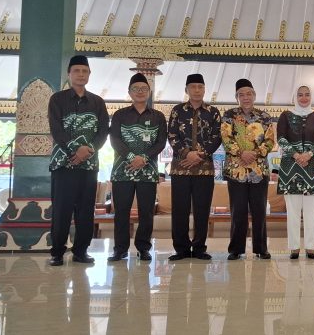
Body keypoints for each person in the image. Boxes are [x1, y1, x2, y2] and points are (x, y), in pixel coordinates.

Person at [47, 55, 109, 266]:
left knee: (85, 211)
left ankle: (81, 251)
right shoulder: (57, 99)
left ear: (89, 74)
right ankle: (57, 252)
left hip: (88, 165)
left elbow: (103, 131)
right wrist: (76, 149)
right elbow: (56, 129)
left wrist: (88, 150)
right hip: (63, 164)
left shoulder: (97, 102)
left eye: (85, 71)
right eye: (76, 71)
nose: (81, 74)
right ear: (69, 74)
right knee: (61, 210)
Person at [108, 73, 167, 262]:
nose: (140, 92)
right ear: (129, 92)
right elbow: (115, 139)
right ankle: (120, 249)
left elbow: (161, 142)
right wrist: (132, 157)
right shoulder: (120, 115)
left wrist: (144, 158)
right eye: (136, 89)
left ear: (149, 92)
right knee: (121, 212)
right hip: (122, 172)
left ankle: (143, 248)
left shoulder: (158, 116)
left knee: (146, 212)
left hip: (148, 173)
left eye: (143, 89)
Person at [166, 73, 222, 261]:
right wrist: (187, 154)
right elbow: (172, 135)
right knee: (179, 209)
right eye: (193, 87)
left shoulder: (213, 112)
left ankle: (199, 248)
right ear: (187, 90)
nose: (197, 90)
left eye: (200, 87)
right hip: (180, 168)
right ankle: (181, 249)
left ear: (204, 89)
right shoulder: (177, 110)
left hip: (204, 169)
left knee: (202, 209)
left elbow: (217, 137)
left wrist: (199, 155)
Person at [221, 78, 276, 260]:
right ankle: (236, 249)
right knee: (238, 211)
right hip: (236, 171)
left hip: (259, 171)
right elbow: (226, 138)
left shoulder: (264, 117)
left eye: (249, 94)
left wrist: (255, 153)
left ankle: (261, 248)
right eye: (241, 95)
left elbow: (270, 141)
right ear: (236, 97)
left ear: (254, 95)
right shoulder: (229, 115)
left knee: (259, 210)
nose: (246, 97)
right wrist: (241, 153)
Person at [277, 85, 314, 259]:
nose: (304, 98)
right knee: (292, 210)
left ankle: (310, 246)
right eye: (300, 95)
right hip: (290, 168)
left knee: (311, 210)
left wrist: (309, 154)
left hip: (313, 167)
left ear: (311, 97)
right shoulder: (285, 115)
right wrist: (296, 155)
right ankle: (294, 247)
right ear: (295, 97)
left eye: (307, 95)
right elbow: (281, 139)